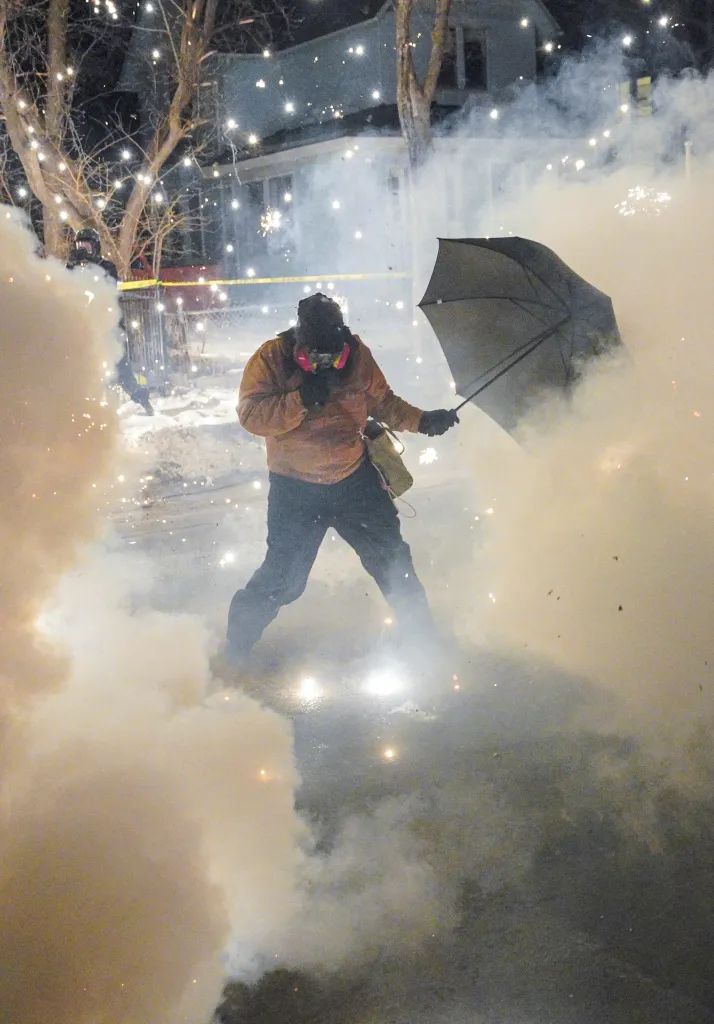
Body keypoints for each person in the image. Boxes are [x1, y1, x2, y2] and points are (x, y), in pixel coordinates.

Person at [226, 292, 459, 664]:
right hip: (294, 487)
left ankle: (425, 647)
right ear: (299, 342)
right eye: (315, 356)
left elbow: (382, 402)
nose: (325, 364)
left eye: (333, 356)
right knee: (283, 580)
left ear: (344, 341)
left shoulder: (359, 356)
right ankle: (234, 650)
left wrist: (422, 420)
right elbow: (251, 416)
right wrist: (299, 400)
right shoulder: (270, 358)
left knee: (391, 562)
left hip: (354, 481)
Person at [67, 227, 154, 415]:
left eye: (87, 246)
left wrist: (91, 262)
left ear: (95, 247)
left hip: (110, 331)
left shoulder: (106, 266)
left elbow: (108, 286)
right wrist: (71, 264)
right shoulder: (74, 269)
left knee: (123, 375)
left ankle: (143, 402)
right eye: (80, 246)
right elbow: (63, 287)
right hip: (85, 332)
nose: (83, 250)